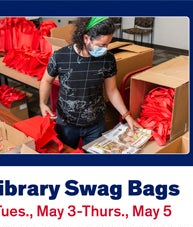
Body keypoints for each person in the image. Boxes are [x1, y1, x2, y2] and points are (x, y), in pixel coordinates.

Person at [39, 17, 142, 149]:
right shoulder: (61, 56)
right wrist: (42, 103)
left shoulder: (108, 59)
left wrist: (127, 116)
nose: (105, 49)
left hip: (95, 124)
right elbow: (47, 80)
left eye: (108, 44)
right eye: (101, 45)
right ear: (86, 38)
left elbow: (112, 90)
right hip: (66, 124)